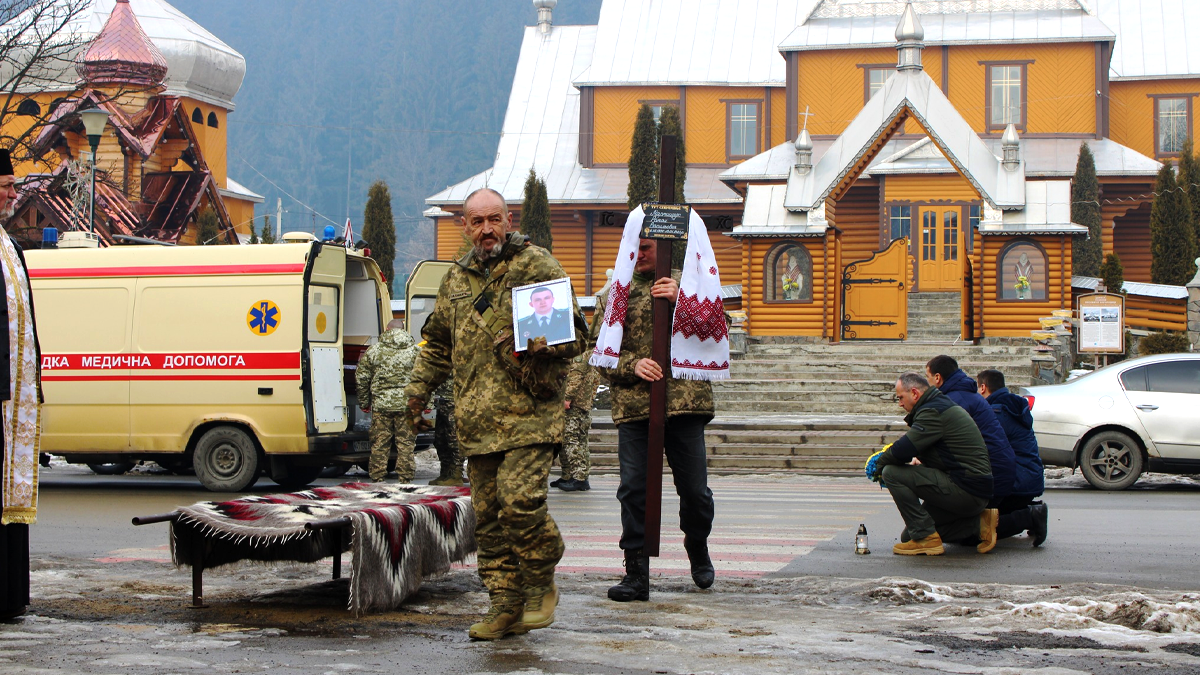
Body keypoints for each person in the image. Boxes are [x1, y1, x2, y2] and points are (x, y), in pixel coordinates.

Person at [404, 187, 586, 641]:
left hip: (530, 414)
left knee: (519, 502)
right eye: (477, 221)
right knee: (488, 520)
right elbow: (438, 347)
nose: (486, 229)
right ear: (463, 227)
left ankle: (541, 576)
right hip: (477, 421)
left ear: (509, 219)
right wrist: (414, 396)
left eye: (494, 219)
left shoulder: (535, 265)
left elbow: (577, 336)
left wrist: (537, 341)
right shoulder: (455, 280)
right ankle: (505, 605)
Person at [591, 238, 716, 602]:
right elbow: (596, 352)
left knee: (695, 492)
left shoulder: (690, 284)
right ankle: (636, 572)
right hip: (635, 407)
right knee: (633, 490)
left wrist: (684, 302)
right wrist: (632, 365)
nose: (642, 253)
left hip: (684, 402)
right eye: (637, 246)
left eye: (649, 247)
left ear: (665, 249)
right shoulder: (615, 293)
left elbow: (718, 330)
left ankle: (697, 543)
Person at [869, 373, 997, 555]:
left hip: (966, 489)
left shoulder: (932, 411)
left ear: (914, 393)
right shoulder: (939, 405)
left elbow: (903, 449)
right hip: (973, 488)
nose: (899, 403)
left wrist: (878, 466)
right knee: (910, 536)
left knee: (891, 472)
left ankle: (927, 538)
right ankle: (978, 525)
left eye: (900, 398)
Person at [0, 149, 41, 619]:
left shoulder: (10, 247)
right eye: (7, 186)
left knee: (11, 501)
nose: (15, 194)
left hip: (15, 400)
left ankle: (10, 598)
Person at [925, 355, 1016, 512]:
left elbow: (941, 439)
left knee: (952, 528)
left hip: (989, 476)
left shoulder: (954, 401)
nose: (927, 383)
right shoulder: (965, 395)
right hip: (998, 470)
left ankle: (1028, 518)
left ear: (938, 378)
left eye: (928, 377)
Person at [977, 369, 1048, 546]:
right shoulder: (1012, 406)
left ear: (983, 387)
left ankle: (1030, 516)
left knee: (976, 531)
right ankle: (1029, 510)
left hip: (1016, 483)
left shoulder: (996, 413)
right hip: (1028, 478)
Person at [355, 319, 419, 483]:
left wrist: (364, 402)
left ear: (386, 329)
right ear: (404, 329)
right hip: (407, 405)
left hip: (381, 405)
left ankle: (377, 477)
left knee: (380, 442)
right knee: (406, 443)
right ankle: (405, 479)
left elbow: (362, 377)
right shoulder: (416, 351)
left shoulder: (374, 350)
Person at [552, 353, 600, 492]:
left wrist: (567, 398)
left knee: (571, 439)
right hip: (581, 404)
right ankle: (569, 475)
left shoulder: (581, 354)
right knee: (573, 440)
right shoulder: (590, 354)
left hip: (575, 405)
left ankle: (579, 478)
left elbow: (575, 376)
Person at [428, 378, 463, 486]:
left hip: (454, 401)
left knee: (454, 439)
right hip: (441, 402)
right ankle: (446, 472)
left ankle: (457, 474)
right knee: (440, 439)